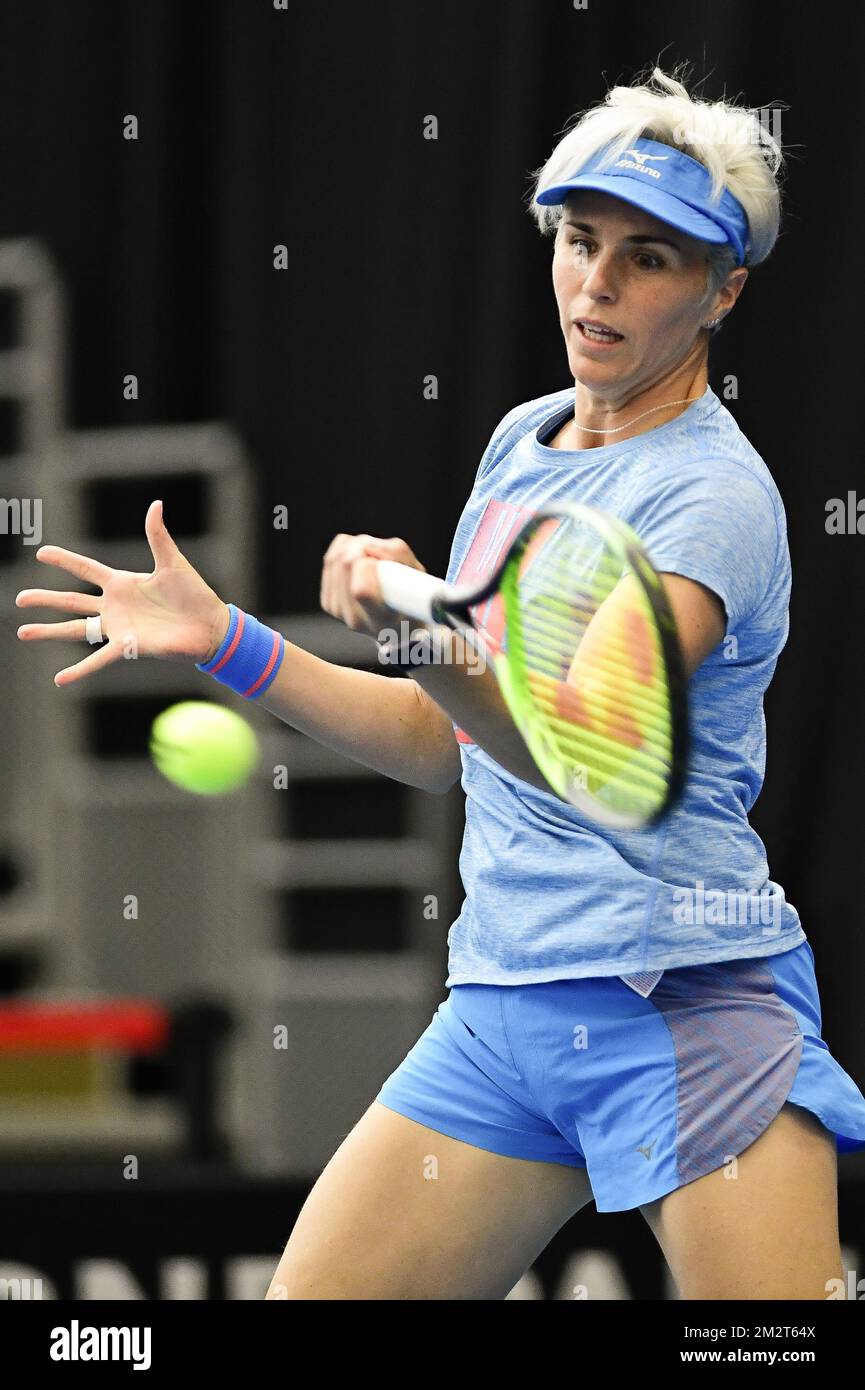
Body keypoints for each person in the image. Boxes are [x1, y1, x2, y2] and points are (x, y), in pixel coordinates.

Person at [16, 66, 865, 1300]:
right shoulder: (520, 444)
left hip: (683, 1004)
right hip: (503, 1008)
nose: (598, 285)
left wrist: (431, 634)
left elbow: (589, 752)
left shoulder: (714, 501)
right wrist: (227, 640)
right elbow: (439, 737)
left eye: (650, 258)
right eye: (579, 243)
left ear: (721, 291)